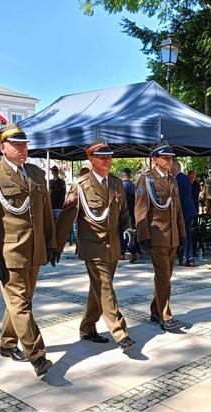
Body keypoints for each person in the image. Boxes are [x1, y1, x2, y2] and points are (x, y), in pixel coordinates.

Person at [0, 123, 59, 377]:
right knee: (21, 305)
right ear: (2, 147)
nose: (23, 149)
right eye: (17, 145)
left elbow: (45, 213)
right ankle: (37, 355)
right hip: (9, 253)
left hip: (34, 251)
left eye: (24, 144)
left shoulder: (35, 173)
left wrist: (51, 243)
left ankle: (7, 343)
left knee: (21, 301)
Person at [55, 139, 135, 352]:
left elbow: (124, 212)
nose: (108, 161)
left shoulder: (116, 183)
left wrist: (127, 228)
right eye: (102, 157)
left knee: (98, 288)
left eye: (109, 157)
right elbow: (65, 218)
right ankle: (120, 332)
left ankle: (87, 327)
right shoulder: (80, 186)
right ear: (90, 159)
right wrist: (55, 246)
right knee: (105, 286)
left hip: (113, 245)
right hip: (92, 245)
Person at [135, 145, 186, 333]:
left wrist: (182, 234)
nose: (169, 161)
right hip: (156, 235)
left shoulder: (172, 179)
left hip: (172, 236)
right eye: (165, 158)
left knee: (165, 276)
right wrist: (143, 236)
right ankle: (165, 314)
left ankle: (155, 310)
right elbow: (140, 209)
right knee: (164, 277)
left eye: (171, 158)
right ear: (155, 159)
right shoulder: (146, 179)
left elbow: (177, 210)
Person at [174, 161, 196, 267]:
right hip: (190, 209)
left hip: (183, 210)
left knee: (183, 234)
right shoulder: (186, 178)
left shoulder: (176, 180)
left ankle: (184, 257)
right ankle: (190, 257)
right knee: (188, 234)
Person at [119, 168, 139, 263]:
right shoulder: (133, 186)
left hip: (122, 214)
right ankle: (132, 251)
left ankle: (125, 252)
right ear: (129, 175)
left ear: (121, 175)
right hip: (132, 213)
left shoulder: (120, 186)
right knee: (130, 234)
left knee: (123, 234)